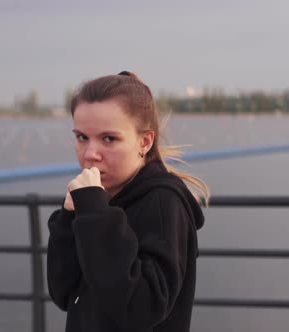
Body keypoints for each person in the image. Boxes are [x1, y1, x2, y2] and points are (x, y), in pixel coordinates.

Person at [47, 71, 210, 332]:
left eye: (109, 139)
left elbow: (141, 309)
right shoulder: (98, 199)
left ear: (144, 142)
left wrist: (95, 216)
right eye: (81, 137)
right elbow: (63, 292)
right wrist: (68, 219)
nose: (90, 154)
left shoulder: (162, 203)